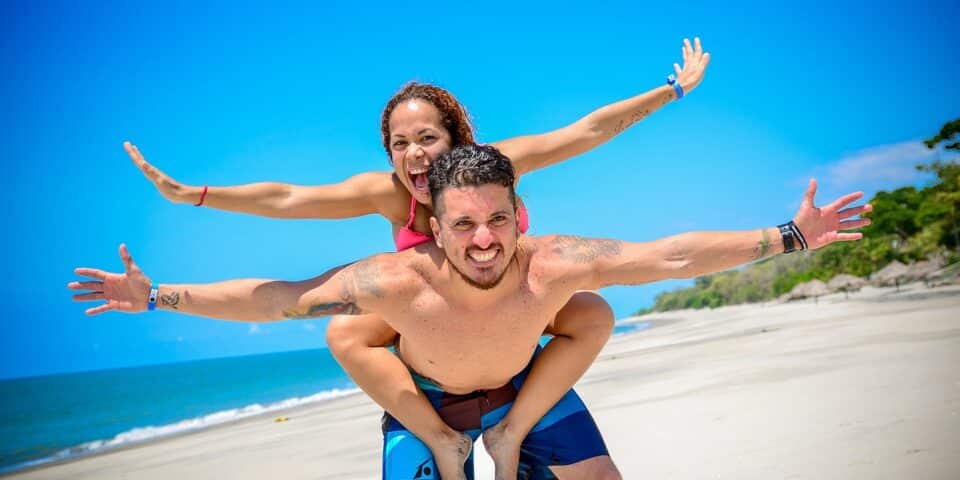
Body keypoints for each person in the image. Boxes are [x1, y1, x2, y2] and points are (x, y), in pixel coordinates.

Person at [71, 144, 871, 479]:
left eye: (497, 219)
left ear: (519, 214)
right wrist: (158, 296)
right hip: (428, 408)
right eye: (463, 224)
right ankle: (450, 445)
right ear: (435, 225)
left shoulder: (555, 260)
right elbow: (280, 300)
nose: (483, 239)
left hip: (526, 388)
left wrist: (794, 234)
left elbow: (673, 256)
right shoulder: (392, 279)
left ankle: (513, 433)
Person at [122, 39, 712, 478]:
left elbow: (586, 131)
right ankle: (442, 442)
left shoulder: (493, 165)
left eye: (428, 138)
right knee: (347, 324)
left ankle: (513, 433)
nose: (414, 155)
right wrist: (193, 196)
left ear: (457, 138)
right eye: (399, 144)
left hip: (510, 332)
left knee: (588, 312)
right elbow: (289, 199)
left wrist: (672, 89)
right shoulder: (390, 192)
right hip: (433, 348)